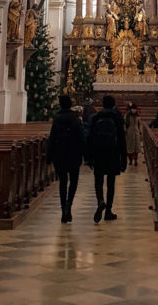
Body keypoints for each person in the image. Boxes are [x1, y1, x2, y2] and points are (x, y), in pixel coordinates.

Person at [87, 94, 127, 223]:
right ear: (113, 104)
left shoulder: (96, 117)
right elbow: (121, 138)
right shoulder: (117, 117)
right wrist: (124, 158)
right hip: (113, 153)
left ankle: (100, 201)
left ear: (103, 104)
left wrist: (88, 157)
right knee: (111, 183)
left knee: (98, 180)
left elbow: (90, 137)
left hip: (98, 153)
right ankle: (108, 210)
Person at [47, 94, 86, 223]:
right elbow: (81, 138)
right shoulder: (76, 119)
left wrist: (49, 157)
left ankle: (64, 207)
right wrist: (85, 155)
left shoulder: (57, 119)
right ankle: (69, 204)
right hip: (74, 154)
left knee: (63, 182)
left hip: (60, 154)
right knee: (74, 181)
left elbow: (52, 139)